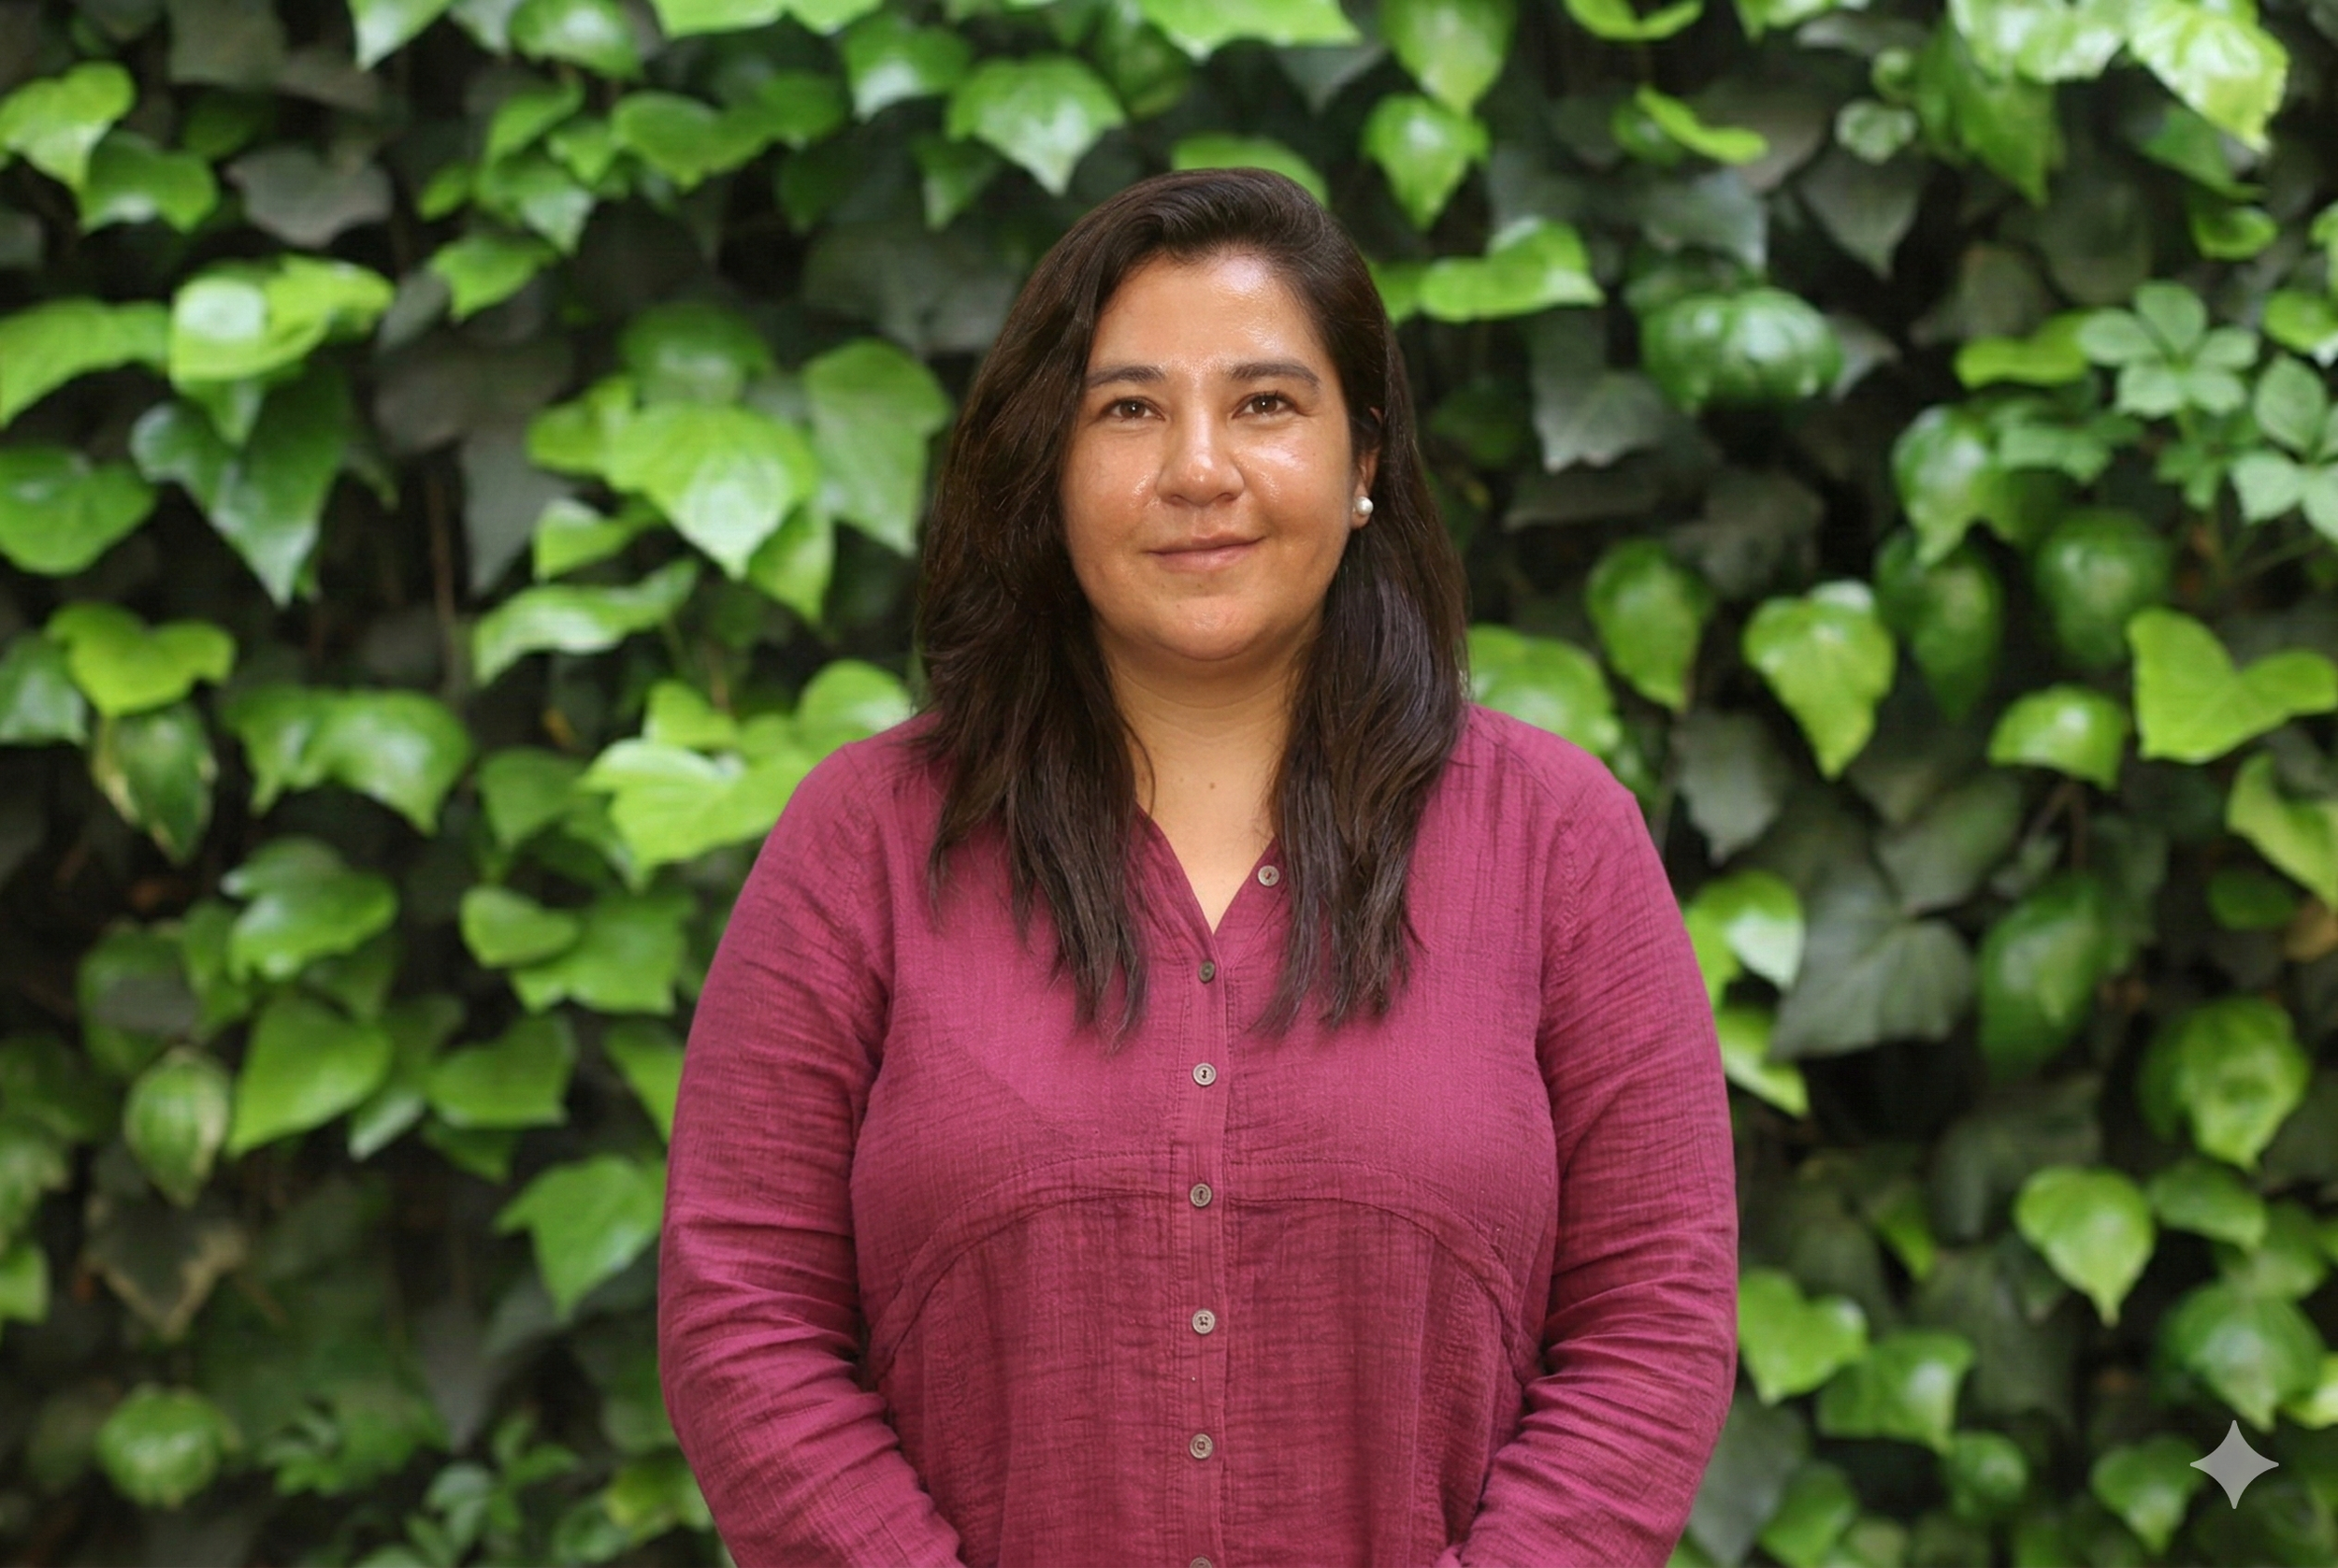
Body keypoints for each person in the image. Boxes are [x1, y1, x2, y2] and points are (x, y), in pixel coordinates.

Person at [657, 166, 1739, 1568]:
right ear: (1048, 465)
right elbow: (745, 1313)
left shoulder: (1558, 845)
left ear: (1362, 464)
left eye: (1268, 403)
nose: (1199, 470)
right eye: (1128, 410)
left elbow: (1653, 1320)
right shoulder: (863, 840)